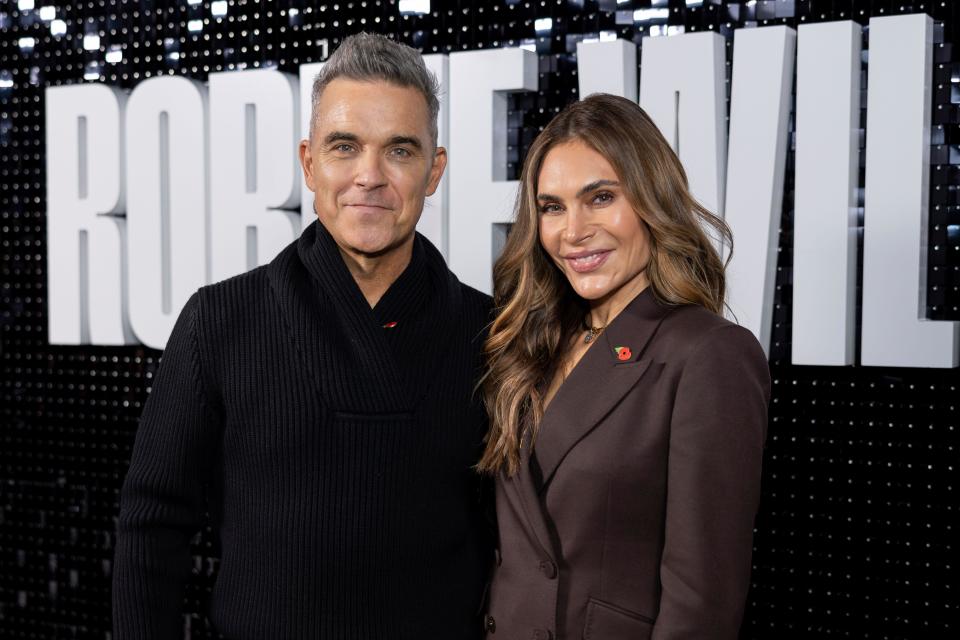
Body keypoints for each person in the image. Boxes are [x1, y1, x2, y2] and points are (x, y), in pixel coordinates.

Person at [113, 33, 492, 639]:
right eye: (345, 147)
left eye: (399, 150)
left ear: (434, 170)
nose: (369, 176)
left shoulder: (492, 334)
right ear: (309, 162)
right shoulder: (218, 322)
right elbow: (153, 523)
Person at [478, 94, 771, 639]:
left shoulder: (709, 355)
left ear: (651, 200)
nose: (573, 231)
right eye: (552, 207)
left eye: (601, 197)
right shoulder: (529, 344)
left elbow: (701, 602)